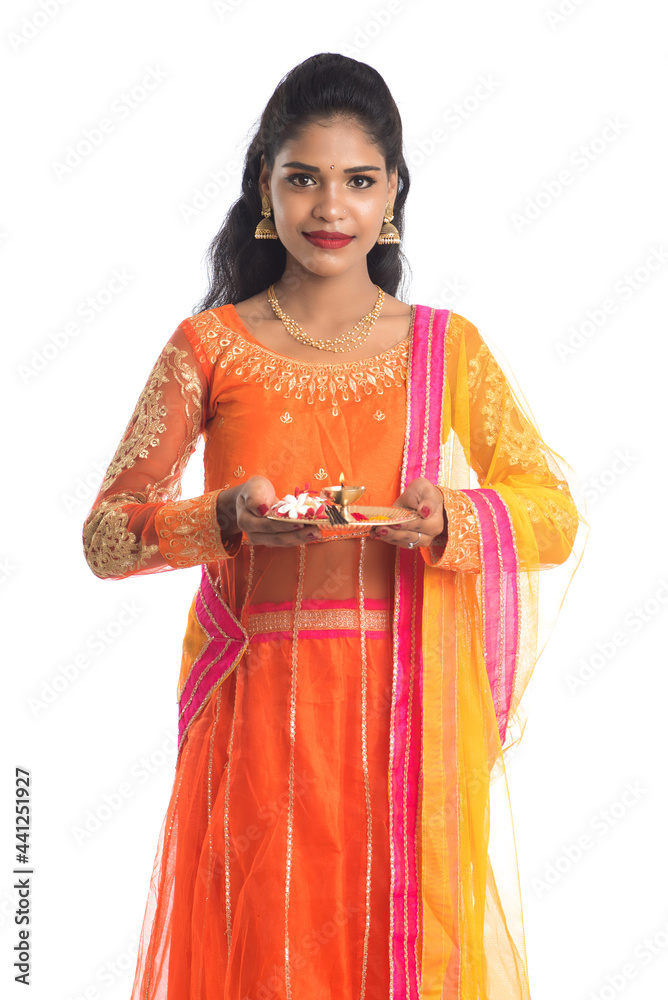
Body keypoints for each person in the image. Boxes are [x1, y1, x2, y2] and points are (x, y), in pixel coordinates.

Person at [82, 52, 586, 1000]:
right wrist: (221, 520)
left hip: (409, 725)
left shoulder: (447, 346)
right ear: (264, 190)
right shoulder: (211, 347)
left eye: (359, 181)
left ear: (393, 192)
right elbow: (107, 535)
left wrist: (455, 518)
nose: (330, 207)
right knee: (271, 961)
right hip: (262, 721)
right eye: (302, 177)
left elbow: (551, 513)